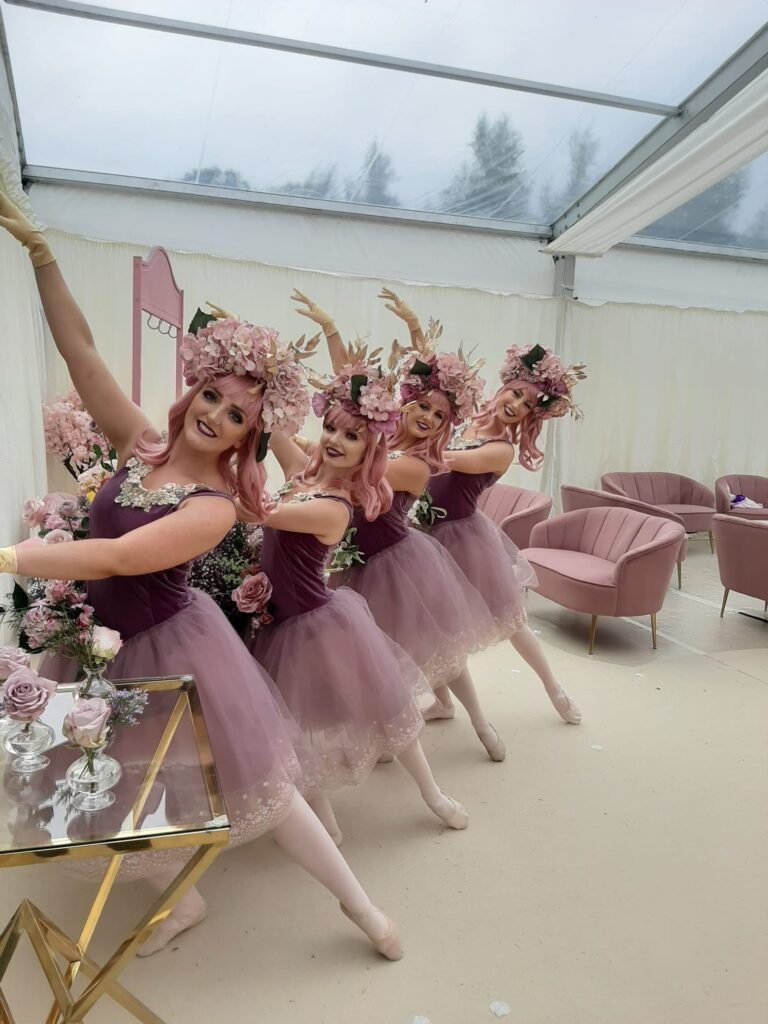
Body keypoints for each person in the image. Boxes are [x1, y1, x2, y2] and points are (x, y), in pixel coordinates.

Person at [0, 190, 402, 961]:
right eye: (212, 396)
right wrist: (41, 255)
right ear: (195, 391)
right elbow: (82, 354)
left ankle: (362, 908)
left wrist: (12, 557)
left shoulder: (214, 505)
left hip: (181, 649)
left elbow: (119, 558)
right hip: (106, 645)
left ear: (251, 436)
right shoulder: (139, 444)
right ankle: (182, 900)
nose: (215, 414)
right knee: (109, 781)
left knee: (267, 790)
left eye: (237, 415)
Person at [244, 340, 469, 844]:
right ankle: (326, 822)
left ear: (370, 452)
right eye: (330, 428)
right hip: (280, 625)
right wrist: (264, 382)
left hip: (321, 625)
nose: (335, 440)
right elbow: (275, 433)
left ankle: (433, 794)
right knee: (295, 723)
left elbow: (257, 512)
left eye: (352, 437)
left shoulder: (334, 504)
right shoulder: (303, 479)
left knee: (386, 711)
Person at [292, 288, 506, 761]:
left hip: (398, 564)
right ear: (405, 402)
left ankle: (480, 722)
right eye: (423, 406)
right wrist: (331, 330)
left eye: (440, 416)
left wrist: (305, 445)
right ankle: (393, 730)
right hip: (358, 564)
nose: (428, 418)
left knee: (442, 653)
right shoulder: (377, 434)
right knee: (382, 654)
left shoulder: (414, 464)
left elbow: (355, 463)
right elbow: (352, 389)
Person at [424, 340, 587, 726]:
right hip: (425, 533)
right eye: (514, 394)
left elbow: (447, 459)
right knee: (429, 622)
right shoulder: (466, 422)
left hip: (463, 540)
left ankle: (554, 689)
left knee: (511, 621)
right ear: (502, 389)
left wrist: (403, 453)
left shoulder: (501, 449)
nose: (516, 405)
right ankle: (443, 702)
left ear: (531, 416)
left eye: (527, 404)